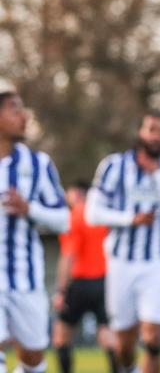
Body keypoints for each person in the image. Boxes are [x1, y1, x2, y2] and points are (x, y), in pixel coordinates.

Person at [86, 112, 160, 373]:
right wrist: (130, 219)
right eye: (152, 130)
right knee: (124, 343)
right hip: (122, 263)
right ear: (140, 132)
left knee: (153, 336)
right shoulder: (114, 166)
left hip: (159, 262)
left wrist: (157, 176)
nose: (157, 136)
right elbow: (93, 213)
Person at [0, 86, 70, 373]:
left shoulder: (38, 165)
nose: (23, 115)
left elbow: (65, 220)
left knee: (33, 359)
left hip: (25, 279)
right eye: (15, 109)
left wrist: (31, 210)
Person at [53, 181, 117, 373]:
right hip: (104, 282)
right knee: (107, 334)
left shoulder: (75, 217)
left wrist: (61, 290)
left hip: (79, 282)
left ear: (78, 194)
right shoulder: (102, 217)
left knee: (61, 335)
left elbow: (68, 255)